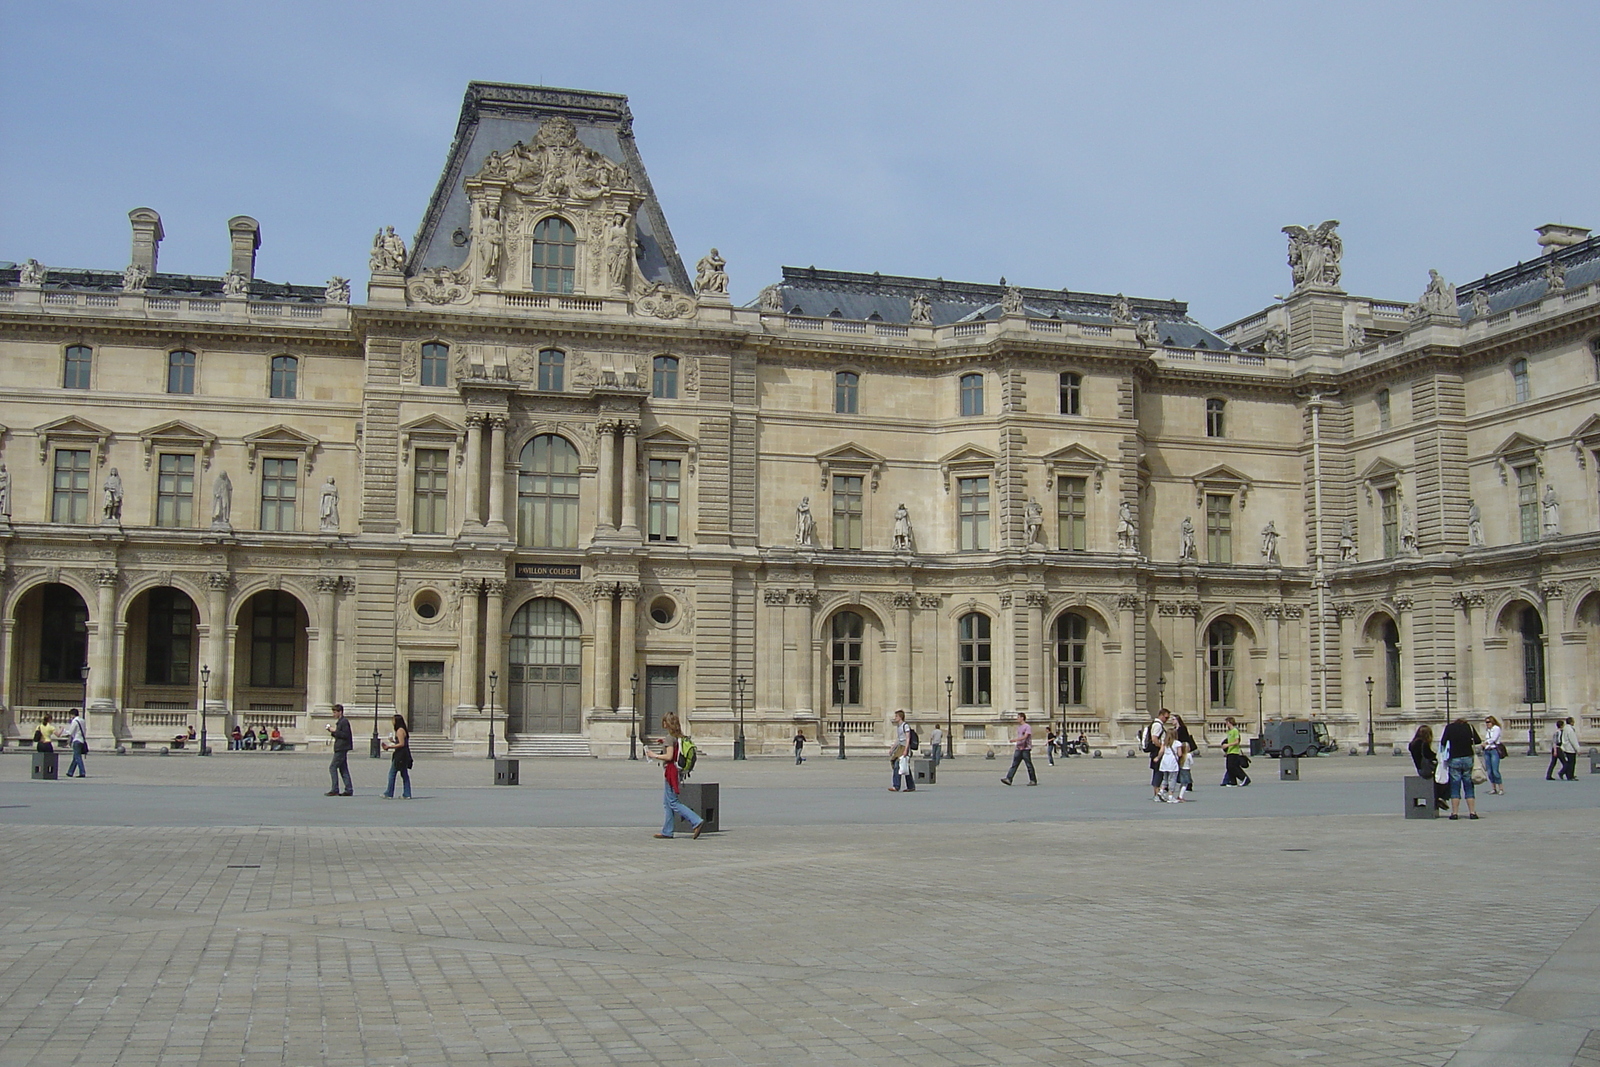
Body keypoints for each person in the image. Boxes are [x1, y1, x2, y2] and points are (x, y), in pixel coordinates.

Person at [646, 712, 705, 839]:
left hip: (671, 771)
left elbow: (669, 756)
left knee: (672, 802)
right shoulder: (679, 737)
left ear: (666, 723)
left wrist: (653, 755)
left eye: (664, 721)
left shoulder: (669, 738)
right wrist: (664, 743)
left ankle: (696, 821)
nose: (662, 723)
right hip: (678, 771)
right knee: (667, 802)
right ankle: (667, 831)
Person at [1440, 714, 1482, 820]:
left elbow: (1443, 741)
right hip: (1468, 758)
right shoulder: (1469, 727)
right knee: (1468, 785)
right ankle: (1472, 812)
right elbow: (1478, 741)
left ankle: (1454, 813)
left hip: (1454, 758)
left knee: (1455, 785)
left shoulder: (1449, 728)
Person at [1408, 723, 1450, 812]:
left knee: (1439, 778)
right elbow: (1429, 755)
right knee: (1444, 776)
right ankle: (1440, 797)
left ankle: (1438, 798)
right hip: (1426, 770)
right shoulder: (1424, 743)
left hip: (1420, 769)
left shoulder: (1412, 744)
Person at [1000, 712, 1037, 786]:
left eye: (1018, 717)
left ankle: (1033, 780)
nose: (1017, 719)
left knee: (1028, 765)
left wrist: (1015, 740)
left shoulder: (1027, 726)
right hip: (1019, 748)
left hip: (1026, 748)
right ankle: (1009, 779)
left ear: (1022, 718)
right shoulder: (1019, 727)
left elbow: (1026, 736)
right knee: (1014, 764)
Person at [325, 703, 353, 796]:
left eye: (334, 712)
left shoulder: (344, 722)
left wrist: (335, 731)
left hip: (342, 748)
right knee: (343, 768)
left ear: (340, 712)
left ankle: (335, 789)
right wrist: (332, 732)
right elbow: (340, 734)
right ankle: (348, 789)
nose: (333, 714)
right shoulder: (341, 722)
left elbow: (345, 735)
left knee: (332, 767)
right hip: (340, 747)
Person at [381, 714, 413, 799]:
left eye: (393, 720)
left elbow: (402, 744)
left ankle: (389, 793)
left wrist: (389, 746)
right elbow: (402, 743)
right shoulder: (402, 730)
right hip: (404, 754)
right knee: (404, 774)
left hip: (400, 755)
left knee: (392, 773)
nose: (392, 722)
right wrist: (393, 741)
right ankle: (407, 793)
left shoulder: (399, 730)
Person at [1145, 709, 1172, 801]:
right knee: (1158, 772)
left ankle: (1157, 793)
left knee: (1158, 771)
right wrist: (1162, 747)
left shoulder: (1156, 724)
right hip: (1157, 751)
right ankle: (1157, 794)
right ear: (1161, 715)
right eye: (1166, 717)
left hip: (1156, 751)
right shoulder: (1157, 725)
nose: (1167, 719)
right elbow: (1154, 738)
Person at [888, 710, 915, 792]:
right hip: (900, 747)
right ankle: (910, 786)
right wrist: (892, 748)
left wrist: (906, 750)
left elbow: (907, 738)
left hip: (904, 747)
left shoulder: (905, 726)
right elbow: (898, 739)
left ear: (900, 717)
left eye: (896, 716)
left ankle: (896, 786)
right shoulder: (899, 726)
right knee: (905, 767)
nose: (895, 718)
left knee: (898, 765)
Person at [1171, 714, 1200, 790]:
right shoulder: (1174, 729)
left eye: (1173, 719)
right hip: (1177, 749)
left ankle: (1188, 783)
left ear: (1177, 720)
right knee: (1178, 767)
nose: (1172, 721)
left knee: (1184, 767)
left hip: (1183, 749)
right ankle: (1181, 781)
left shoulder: (1182, 728)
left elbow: (1185, 739)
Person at [1220, 716, 1250, 786]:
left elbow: (1237, 741)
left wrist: (1227, 745)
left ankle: (1244, 778)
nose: (1226, 724)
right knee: (1229, 767)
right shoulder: (1229, 732)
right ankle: (1233, 781)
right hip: (1230, 751)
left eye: (1227, 723)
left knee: (1233, 767)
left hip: (1234, 751)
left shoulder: (1235, 731)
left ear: (1230, 723)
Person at [1157, 731, 1184, 802]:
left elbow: (1161, 751)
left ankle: (1161, 791)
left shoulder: (1164, 743)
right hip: (1172, 762)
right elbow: (1179, 754)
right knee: (1172, 779)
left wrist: (1157, 757)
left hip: (1165, 760)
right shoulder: (1177, 743)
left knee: (1165, 778)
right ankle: (1170, 795)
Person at [1482, 716, 1504, 795]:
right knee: (1489, 771)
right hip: (1487, 750)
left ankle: (1500, 787)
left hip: (1494, 750)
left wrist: (1486, 743)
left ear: (1492, 722)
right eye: (1486, 722)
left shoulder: (1496, 728)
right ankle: (1493, 788)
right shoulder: (1488, 730)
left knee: (1495, 770)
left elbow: (1494, 739)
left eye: (1488, 722)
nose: (1487, 724)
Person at [64, 708, 88, 778]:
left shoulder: (75, 721)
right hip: (82, 740)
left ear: (72, 714)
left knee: (77, 757)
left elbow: (70, 732)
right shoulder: (82, 720)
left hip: (76, 740)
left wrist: (63, 730)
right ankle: (70, 772)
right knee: (75, 757)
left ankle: (82, 772)